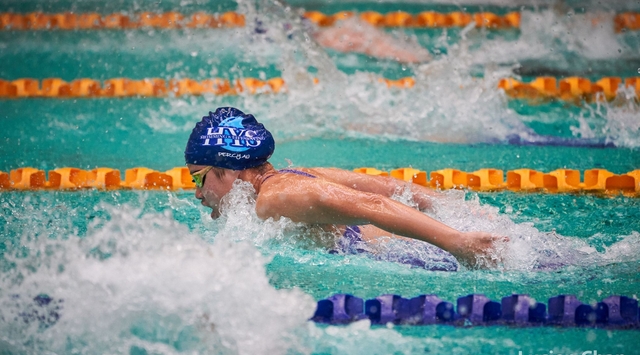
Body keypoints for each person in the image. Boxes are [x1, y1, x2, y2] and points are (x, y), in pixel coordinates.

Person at [184, 107, 504, 268]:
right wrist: (463, 214)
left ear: (229, 169)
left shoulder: (278, 196)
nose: (197, 193)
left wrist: (458, 242)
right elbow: (389, 187)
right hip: (437, 242)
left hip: (423, 255)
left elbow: (373, 204)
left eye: (198, 178)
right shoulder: (294, 176)